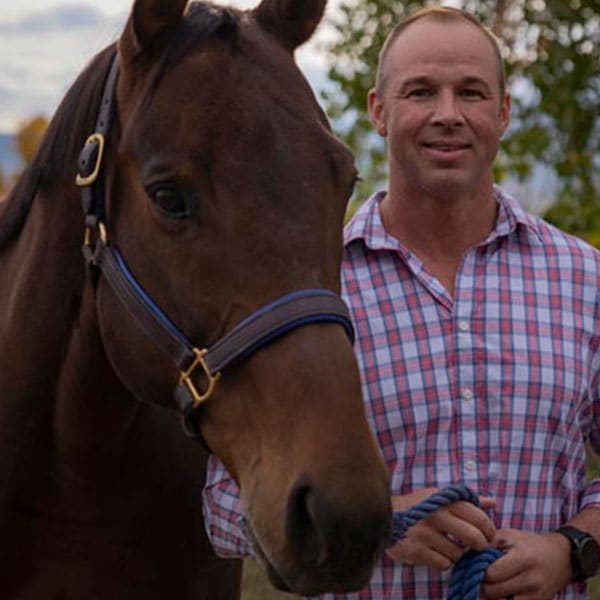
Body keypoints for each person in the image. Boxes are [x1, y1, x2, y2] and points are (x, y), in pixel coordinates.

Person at [202, 6, 600, 599]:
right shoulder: (306, 289)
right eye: (420, 92)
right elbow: (220, 503)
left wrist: (570, 549)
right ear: (378, 111)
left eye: (471, 92)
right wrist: (374, 525)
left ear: (503, 112)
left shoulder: (584, 279)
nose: (447, 114)